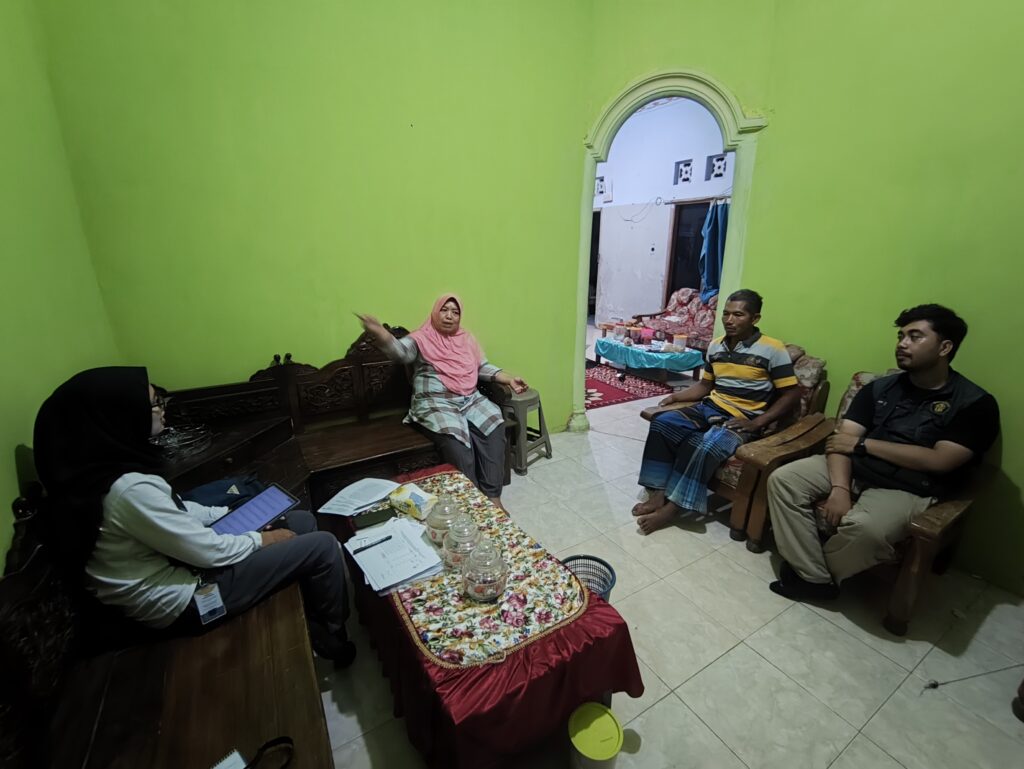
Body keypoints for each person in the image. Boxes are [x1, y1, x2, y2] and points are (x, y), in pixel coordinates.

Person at [32, 367, 355, 666]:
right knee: (323, 546)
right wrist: (262, 539)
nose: (162, 409)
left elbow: (177, 511)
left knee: (299, 521)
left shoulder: (102, 474)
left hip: (182, 564)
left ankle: (314, 620)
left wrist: (229, 513)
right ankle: (334, 636)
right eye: (153, 404)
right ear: (118, 416)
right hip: (186, 600)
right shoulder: (127, 490)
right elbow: (207, 552)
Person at [768, 304, 999, 600]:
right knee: (784, 479)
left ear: (945, 347)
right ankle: (815, 577)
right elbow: (842, 441)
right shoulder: (879, 388)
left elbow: (940, 460)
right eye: (901, 336)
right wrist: (840, 488)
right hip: (856, 466)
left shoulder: (974, 404)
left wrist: (863, 445)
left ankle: (810, 572)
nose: (902, 343)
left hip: (909, 486)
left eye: (915, 336)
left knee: (868, 529)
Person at [632, 289, 802, 534]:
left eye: (738, 315)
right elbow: (705, 385)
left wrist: (758, 423)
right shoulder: (715, 346)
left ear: (755, 318)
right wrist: (675, 396)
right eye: (726, 314)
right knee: (662, 422)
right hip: (710, 407)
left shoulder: (772, 349)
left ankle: (672, 509)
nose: (729, 320)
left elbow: (791, 394)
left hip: (742, 418)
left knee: (706, 445)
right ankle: (658, 494)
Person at [358, 294, 527, 508]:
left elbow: (482, 367)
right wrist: (382, 335)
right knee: (457, 441)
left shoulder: (466, 339)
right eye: (444, 310)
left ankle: (493, 497)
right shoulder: (420, 338)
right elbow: (401, 353)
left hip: (469, 398)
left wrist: (509, 379)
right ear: (435, 313)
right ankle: (473, 501)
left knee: (495, 424)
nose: (449, 316)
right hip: (435, 403)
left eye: (455, 312)